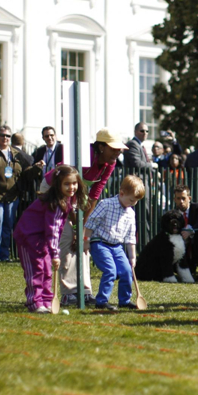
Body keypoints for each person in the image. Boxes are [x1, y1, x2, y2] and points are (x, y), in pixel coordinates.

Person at [59, 129, 127, 306]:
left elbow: (95, 193)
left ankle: (85, 291)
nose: (118, 152)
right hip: (57, 192)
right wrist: (74, 225)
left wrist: (83, 226)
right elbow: (66, 190)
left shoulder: (109, 162)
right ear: (101, 147)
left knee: (83, 243)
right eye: (114, 148)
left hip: (76, 195)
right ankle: (69, 293)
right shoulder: (85, 157)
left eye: (119, 149)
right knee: (67, 238)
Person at [13, 165, 88, 313]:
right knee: (36, 270)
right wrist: (55, 253)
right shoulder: (54, 204)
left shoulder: (65, 200)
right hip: (29, 237)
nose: (71, 187)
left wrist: (51, 252)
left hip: (42, 238)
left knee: (47, 270)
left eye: (74, 183)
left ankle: (47, 301)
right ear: (57, 184)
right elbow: (52, 230)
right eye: (67, 184)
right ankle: (35, 302)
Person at [0, 125, 38, 262]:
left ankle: (4, 255)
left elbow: (25, 174)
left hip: (11, 196)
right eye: (2, 135)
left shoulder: (16, 154)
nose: (5, 138)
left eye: (8, 136)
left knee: (8, 225)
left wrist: (37, 169)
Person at [83, 174, 146, 310]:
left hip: (117, 247)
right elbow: (90, 223)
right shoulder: (106, 204)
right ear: (122, 193)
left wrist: (132, 257)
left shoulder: (130, 213)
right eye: (131, 200)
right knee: (111, 271)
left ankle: (124, 300)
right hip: (100, 243)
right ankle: (102, 301)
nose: (133, 204)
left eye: (136, 201)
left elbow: (130, 237)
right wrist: (86, 241)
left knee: (127, 271)